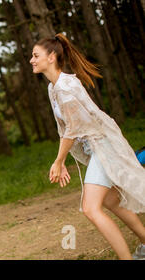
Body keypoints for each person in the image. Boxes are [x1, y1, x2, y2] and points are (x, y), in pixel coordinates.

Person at [30, 32, 145, 260]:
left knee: (91, 208)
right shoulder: (53, 88)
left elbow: (72, 129)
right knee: (112, 200)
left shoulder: (64, 87)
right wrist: (61, 161)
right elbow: (64, 129)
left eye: (35, 55)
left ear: (51, 57)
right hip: (95, 147)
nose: (31, 60)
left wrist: (59, 160)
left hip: (103, 145)